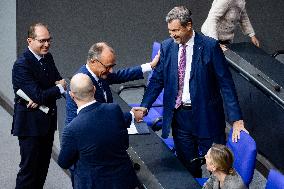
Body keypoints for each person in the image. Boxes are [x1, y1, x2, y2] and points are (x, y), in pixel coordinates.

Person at [137, 6, 248, 177]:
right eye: (170, 31)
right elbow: (157, 79)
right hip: (181, 119)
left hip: (207, 118)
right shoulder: (167, 47)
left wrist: (237, 119)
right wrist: (145, 105)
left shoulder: (210, 46)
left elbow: (226, 84)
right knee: (188, 168)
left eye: (176, 30)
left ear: (188, 25)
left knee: (218, 170)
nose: (172, 35)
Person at [58, 73, 139, 189]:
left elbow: (64, 162)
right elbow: (124, 143)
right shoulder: (114, 110)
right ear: (94, 89)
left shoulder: (72, 129)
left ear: (71, 95)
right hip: (123, 181)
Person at [12, 23, 67, 188]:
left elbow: (57, 81)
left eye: (49, 40)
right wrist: (56, 88)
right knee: (29, 171)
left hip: (47, 123)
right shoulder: (22, 65)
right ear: (29, 41)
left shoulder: (47, 57)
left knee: (42, 169)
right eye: (42, 41)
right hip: (30, 126)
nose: (47, 44)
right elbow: (53, 88)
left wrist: (45, 93)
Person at [65, 42, 159, 126]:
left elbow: (120, 75)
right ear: (93, 62)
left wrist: (150, 66)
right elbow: (100, 119)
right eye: (108, 67)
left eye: (112, 66)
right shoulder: (82, 85)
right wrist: (132, 115)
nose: (110, 70)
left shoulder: (99, 73)